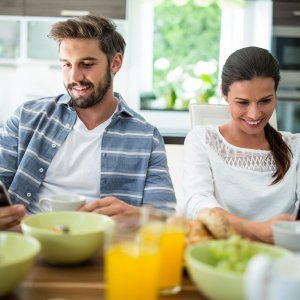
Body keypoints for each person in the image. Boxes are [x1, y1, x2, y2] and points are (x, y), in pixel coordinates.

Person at [0, 15, 176, 230]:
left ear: (116, 63)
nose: (74, 77)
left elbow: (165, 215)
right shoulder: (26, 117)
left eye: (87, 64)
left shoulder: (146, 137)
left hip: (103, 248)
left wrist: (140, 215)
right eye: (66, 64)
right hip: (27, 240)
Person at [183, 46, 297, 244]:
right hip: (222, 255)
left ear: (275, 94)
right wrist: (255, 230)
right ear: (224, 94)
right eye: (243, 102)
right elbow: (198, 203)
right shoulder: (202, 139)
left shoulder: (295, 147)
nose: (254, 114)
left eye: (265, 101)